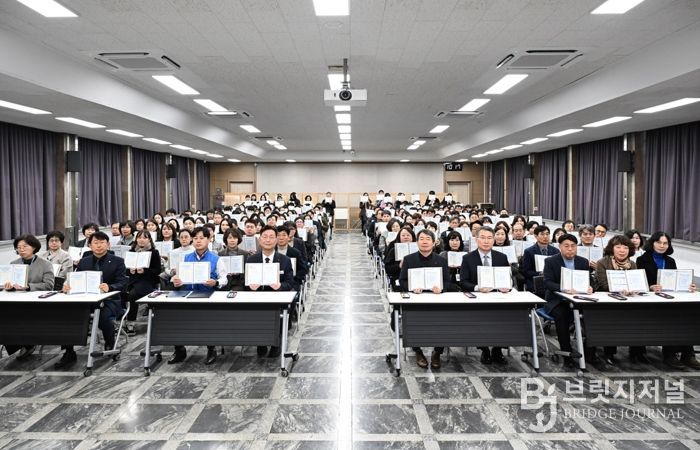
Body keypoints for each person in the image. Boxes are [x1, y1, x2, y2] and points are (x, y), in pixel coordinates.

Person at [58, 232, 127, 369]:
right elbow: (76, 279)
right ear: (90, 245)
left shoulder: (117, 261)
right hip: (86, 300)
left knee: (103, 317)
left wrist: (110, 287)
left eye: (102, 242)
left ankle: (109, 342)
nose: (99, 245)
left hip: (110, 300)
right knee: (69, 316)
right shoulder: (84, 261)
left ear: (108, 244)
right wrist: (68, 286)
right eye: (95, 242)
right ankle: (69, 351)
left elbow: (123, 283)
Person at [635, 232, 700, 369]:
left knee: (685, 316)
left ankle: (688, 355)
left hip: (669, 298)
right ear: (652, 243)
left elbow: (676, 280)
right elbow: (639, 282)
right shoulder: (642, 260)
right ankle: (670, 354)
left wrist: (688, 286)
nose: (662, 246)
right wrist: (651, 287)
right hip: (650, 300)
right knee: (671, 318)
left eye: (665, 243)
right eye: (659, 242)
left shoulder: (670, 261)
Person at [170, 227, 228, 365]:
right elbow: (179, 278)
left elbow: (224, 278)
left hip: (208, 295)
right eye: (195, 238)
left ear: (209, 239)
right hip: (188, 294)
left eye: (202, 238)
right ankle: (179, 350)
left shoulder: (216, 259)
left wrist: (216, 282)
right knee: (174, 316)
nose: (198, 241)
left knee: (207, 319)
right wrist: (177, 281)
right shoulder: (186, 258)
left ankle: (211, 349)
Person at [399, 229, 456, 369]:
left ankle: (437, 352)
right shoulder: (409, 259)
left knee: (443, 321)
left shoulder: (441, 260)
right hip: (416, 299)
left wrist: (441, 288)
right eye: (422, 239)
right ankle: (418, 351)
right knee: (412, 320)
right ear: (417, 242)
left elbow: (447, 281)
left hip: (436, 299)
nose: (424, 242)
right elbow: (402, 280)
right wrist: (412, 288)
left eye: (428, 239)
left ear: (434, 242)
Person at [459, 226, 511, 365]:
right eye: (482, 238)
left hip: (498, 297)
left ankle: (498, 349)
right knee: (479, 317)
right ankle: (484, 349)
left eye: (489, 238)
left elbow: (508, 279)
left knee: (506, 316)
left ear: (494, 240)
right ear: (476, 240)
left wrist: (507, 287)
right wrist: (478, 288)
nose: (486, 241)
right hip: (478, 298)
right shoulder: (468, 258)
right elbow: (463, 282)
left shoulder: (501, 257)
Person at [542, 234, 594, 368]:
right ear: (560, 247)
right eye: (566, 246)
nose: (570, 249)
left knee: (592, 314)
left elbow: (590, 280)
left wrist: (590, 287)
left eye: (573, 246)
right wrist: (563, 289)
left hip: (579, 299)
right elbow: (548, 283)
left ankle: (590, 351)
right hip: (557, 300)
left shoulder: (583, 262)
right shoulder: (551, 261)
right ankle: (566, 352)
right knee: (562, 316)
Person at [245, 225, 296, 358]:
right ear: (260, 240)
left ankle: (275, 343)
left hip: (277, 299)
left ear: (276, 240)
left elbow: (290, 282)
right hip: (257, 299)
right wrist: (250, 287)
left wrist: (280, 286)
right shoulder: (251, 260)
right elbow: (245, 283)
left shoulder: (285, 260)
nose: (268, 240)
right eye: (265, 237)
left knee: (277, 312)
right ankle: (260, 342)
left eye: (271, 237)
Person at [3, 234, 56, 359]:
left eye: (25, 246)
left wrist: (28, 287)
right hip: (16, 300)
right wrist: (8, 286)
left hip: (36, 301)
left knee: (21, 315)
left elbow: (49, 285)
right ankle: (23, 344)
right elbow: (8, 283)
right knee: (5, 316)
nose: (21, 249)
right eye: (18, 247)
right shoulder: (13, 263)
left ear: (34, 247)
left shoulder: (45, 264)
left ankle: (28, 343)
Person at [593, 235, 642, 365]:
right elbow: (604, 284)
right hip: (607, 301)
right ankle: (609, 352)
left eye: (625, 247)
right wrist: (621, 290)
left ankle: (636, 352)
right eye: (618, 247)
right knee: (611, 318)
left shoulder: (632, 264)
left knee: (639, 317)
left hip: (629, 299)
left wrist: (634, 289)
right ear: (612, 248)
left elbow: (636, 282)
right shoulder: (602, 263)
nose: (622, 250)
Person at [124, 230, 161, 336]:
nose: (141, 240)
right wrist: (130, 271)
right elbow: (125, 270)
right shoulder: (131, 251)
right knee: (126, 293)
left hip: (147, 281)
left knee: (133, 295)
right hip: (133, 280)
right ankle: (124, 320)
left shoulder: (154, 252)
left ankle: (131, 322)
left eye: (145, 238)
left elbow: (157, 270)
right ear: (136, 239)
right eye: (139, 237)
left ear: (149, 239)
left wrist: (145, 271)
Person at [521, 225, 560, 293]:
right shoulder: (529, 251)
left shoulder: (556, 251)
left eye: (547, 234)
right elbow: (526, 271)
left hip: (551, 282)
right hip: (535, 282)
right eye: (542, 234)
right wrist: (540, 273)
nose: (545, 236)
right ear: (536, 236)